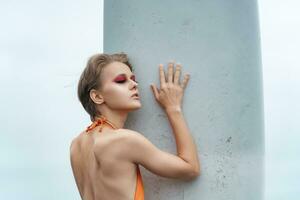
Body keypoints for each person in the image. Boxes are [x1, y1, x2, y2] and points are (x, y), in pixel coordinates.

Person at [70, 52, 201, 200]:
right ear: (97, 96)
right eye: (121, 81)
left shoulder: (76, 146)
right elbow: (191, 168)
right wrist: (173, 109)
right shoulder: (124, 140)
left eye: (133, 79)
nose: (134, 85)